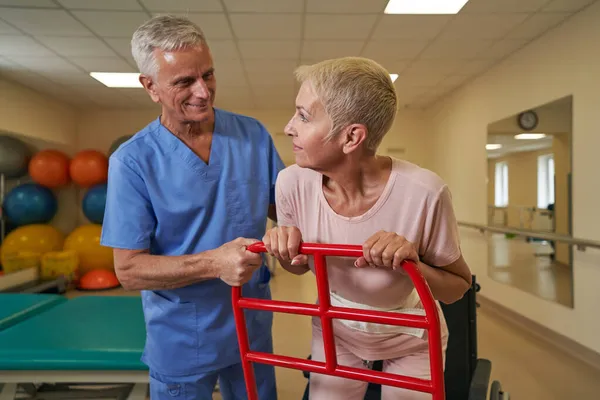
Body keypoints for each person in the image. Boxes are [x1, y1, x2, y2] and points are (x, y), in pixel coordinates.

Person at [262, 57, 472, 399]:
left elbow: (457, 288)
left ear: (351, 137)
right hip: (336, 331)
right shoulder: (291, 183)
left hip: (411, 339)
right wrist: (285, 248)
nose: (289, 127)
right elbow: (296, 269)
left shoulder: (424, 193)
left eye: (303, 116)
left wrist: (411, 267)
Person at [100, 15, 283, 400]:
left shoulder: (252, 135)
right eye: (184, 81)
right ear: (150, 86)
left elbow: (288, 215)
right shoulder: (133, 161)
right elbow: (129, 270)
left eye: (209, 75)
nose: (203, 91)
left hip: (250, 323)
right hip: (182, 335)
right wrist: (214, 263)